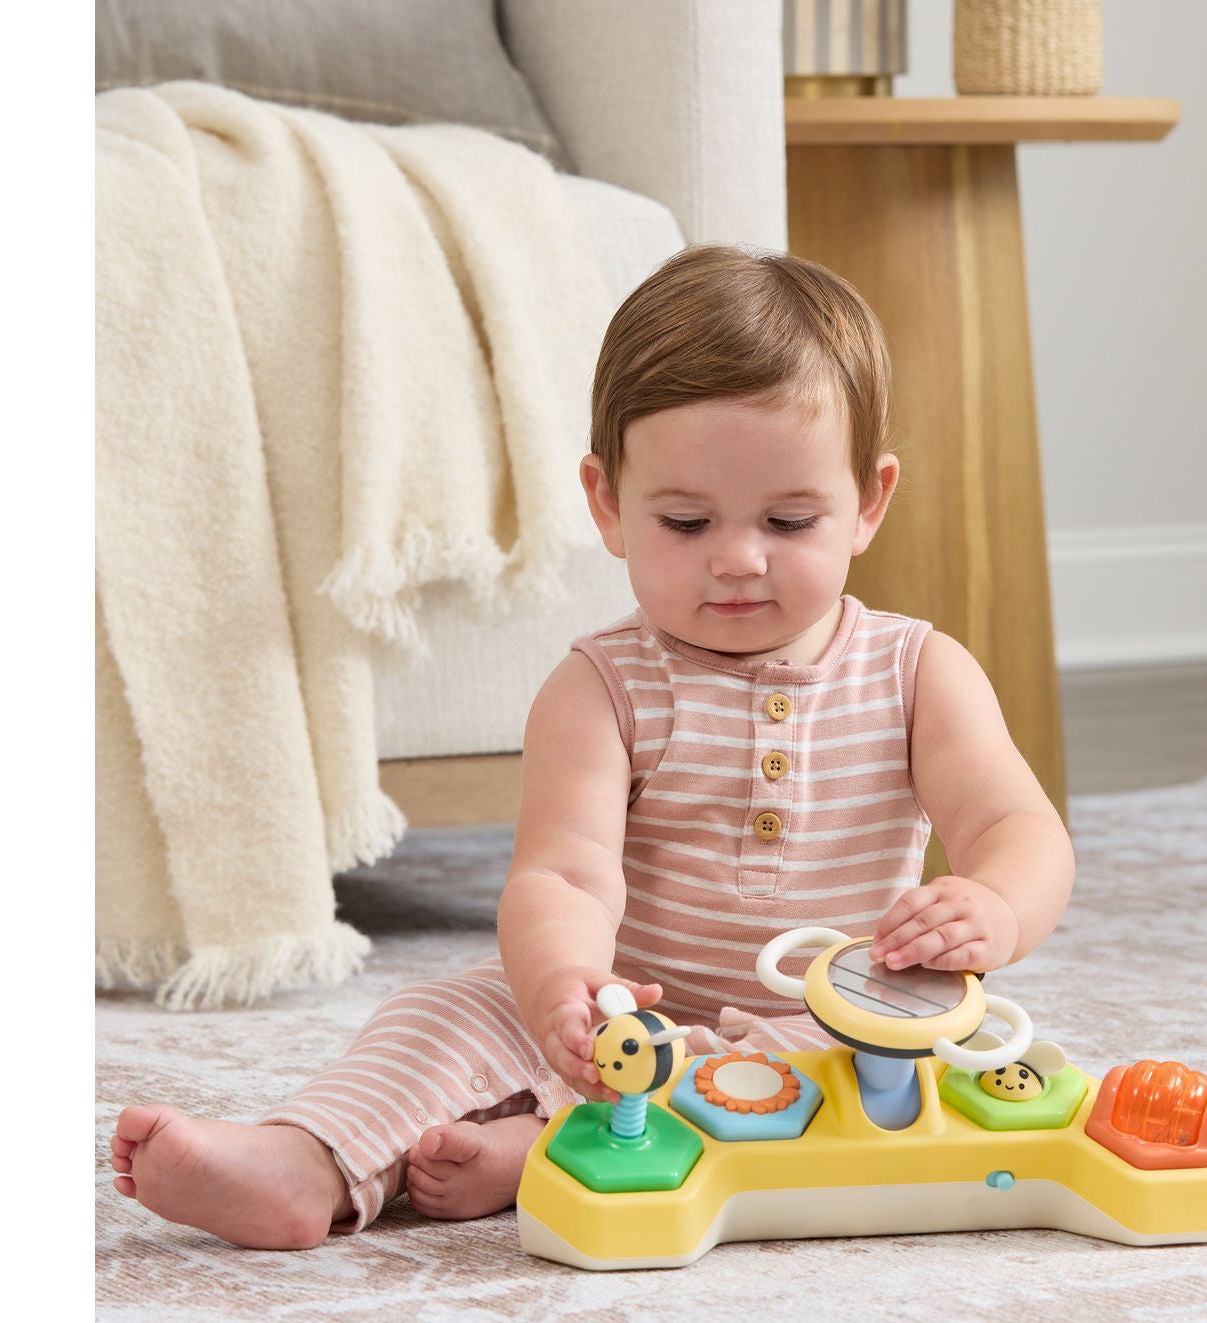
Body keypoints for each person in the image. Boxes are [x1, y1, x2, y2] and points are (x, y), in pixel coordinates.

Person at [110, 245, 1075, 1249]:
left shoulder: (919, 672)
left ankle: (544, 1144)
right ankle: (309, 1159)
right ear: (608, 503)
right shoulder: (599, 690)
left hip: (835, 1024)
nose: (739, 558)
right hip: (630, 1016)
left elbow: (1015, 825)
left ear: (869, 502)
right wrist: (563, 989)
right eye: (687, 522)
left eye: (790, 520)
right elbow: (564, 875)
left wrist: (996, 907)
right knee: (444, 1014)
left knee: (899, 1075)